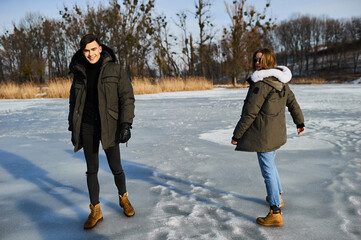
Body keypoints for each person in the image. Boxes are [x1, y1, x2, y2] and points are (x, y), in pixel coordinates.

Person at [231, 48, 305, 227]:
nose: (256, 63)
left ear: (268, 61)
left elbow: (249, 112)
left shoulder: (261, 83)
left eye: (260, 60)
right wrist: (299, 122)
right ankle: (277, 196)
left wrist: (237, 134)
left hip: (264, 135)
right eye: (255, 60)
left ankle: (275, 212)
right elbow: (292, 103)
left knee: (268, 170)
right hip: (276, 133)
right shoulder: (281, 81)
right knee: (271, 165)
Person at [68, 34, 135, 229]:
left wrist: (125, 124)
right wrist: (73, 125)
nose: (90, 54)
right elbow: (73, 102)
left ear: (100, 48)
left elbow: (127, 97)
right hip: (87, 126)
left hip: (109, 126)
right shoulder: (79, 72)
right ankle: (95, 210)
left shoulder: (115, 69)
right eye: (86, 50)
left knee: (116, 167)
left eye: (93, 49)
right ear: (83, 52)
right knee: (91, 170)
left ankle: (124, 198)